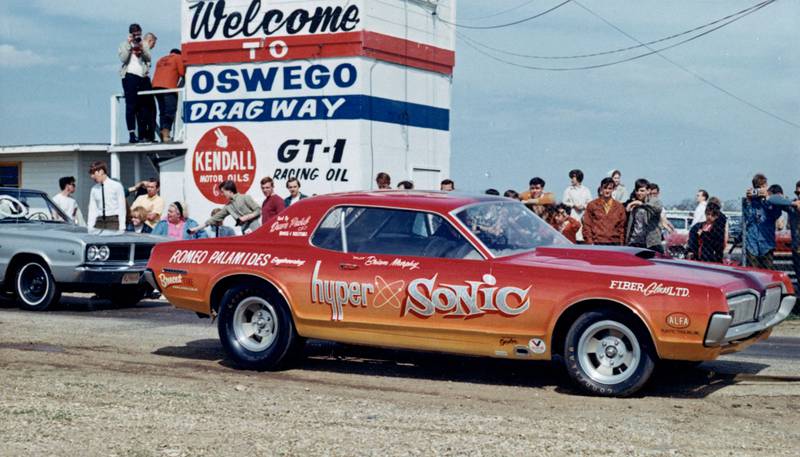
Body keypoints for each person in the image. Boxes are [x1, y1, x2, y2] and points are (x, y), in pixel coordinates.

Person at [118, 23, 152, 144]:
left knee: (143, 106)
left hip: (141, 76)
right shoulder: (124, 44)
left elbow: (149, 58)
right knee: (131, 106)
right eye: (135, 34)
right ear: (130, 34)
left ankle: (142, 134)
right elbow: (123, 59)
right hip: (129, 76)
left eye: (139, 34)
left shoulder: (144, 43)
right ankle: (132, 133)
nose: (137, 36)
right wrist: (129, 45)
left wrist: (142, 48)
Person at [189, 180, 261, 235]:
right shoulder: (228, 207)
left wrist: (247, 217)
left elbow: (258, 210)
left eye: (223, 192)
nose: (222, 194)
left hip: (256, 229)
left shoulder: (245, 197)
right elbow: (213, 219)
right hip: (245, 231)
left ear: (229, 191)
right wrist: (196, 229)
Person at [743, 174, 783, 269]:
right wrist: (748, 200)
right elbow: (747, 218)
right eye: (758, 188)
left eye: (763, 187)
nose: (760, 190)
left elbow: (777, 214)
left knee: (767, 273)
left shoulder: (770, 201)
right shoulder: (751, 202)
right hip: (752, 243)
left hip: (767, 242)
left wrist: (768, 198)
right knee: (753, 273)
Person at [151, 48, 184, 142]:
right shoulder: (178, 58)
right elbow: (183, 73)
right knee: (170, 110)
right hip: (168, 86)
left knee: (162, 111)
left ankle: (163, 134)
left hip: (155, 87)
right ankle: (166, 133)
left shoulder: (161, 59)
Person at [582, 178, 627, 245]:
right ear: (601, 189)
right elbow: (587, 225)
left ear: (613, 189)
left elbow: (622, 228)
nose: (607, 191)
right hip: (597, 243)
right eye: (605, 188)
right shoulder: (592, 205)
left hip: (614, 243)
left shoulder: (620, 207)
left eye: (610, 188)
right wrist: (589, 242)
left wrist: (621, 244)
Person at [624, 178, 664, 253]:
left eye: (642, 191)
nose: (639, 193)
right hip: (634, 242)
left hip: (651, 243)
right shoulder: (633, 202)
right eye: (637, 190)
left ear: (648, 191)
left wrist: (642, 204)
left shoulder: (654, 201)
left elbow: (657, 209)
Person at [87, 161, 126, 231]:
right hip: (99, 221)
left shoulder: (116, 186)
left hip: (113, 220)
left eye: (93, 173)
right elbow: (92, 209)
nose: (92, 176)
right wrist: (90, 226)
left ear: (101, 171)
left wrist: (122, 227)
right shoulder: (94, 189)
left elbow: (122, 207)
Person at [137, 32, 159, 142]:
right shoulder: (144, 48)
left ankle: (142, 135)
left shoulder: (139, 48)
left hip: (139, 80)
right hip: (143, 79)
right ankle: (148, 135)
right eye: (153, 44)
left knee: (142, 109)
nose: (153, 46)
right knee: (150, 109)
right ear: (150, 41)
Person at [562, 169, 592, 242]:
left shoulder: (586, 190)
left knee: (582, 235)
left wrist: (583, 206)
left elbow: (590, 202)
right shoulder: (568, 190)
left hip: (583, 215)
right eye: (571, 177)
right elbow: (564, 201)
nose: (572, 179)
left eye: (573, 177)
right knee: (573, 234)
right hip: (573, 214)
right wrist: (573, 205)